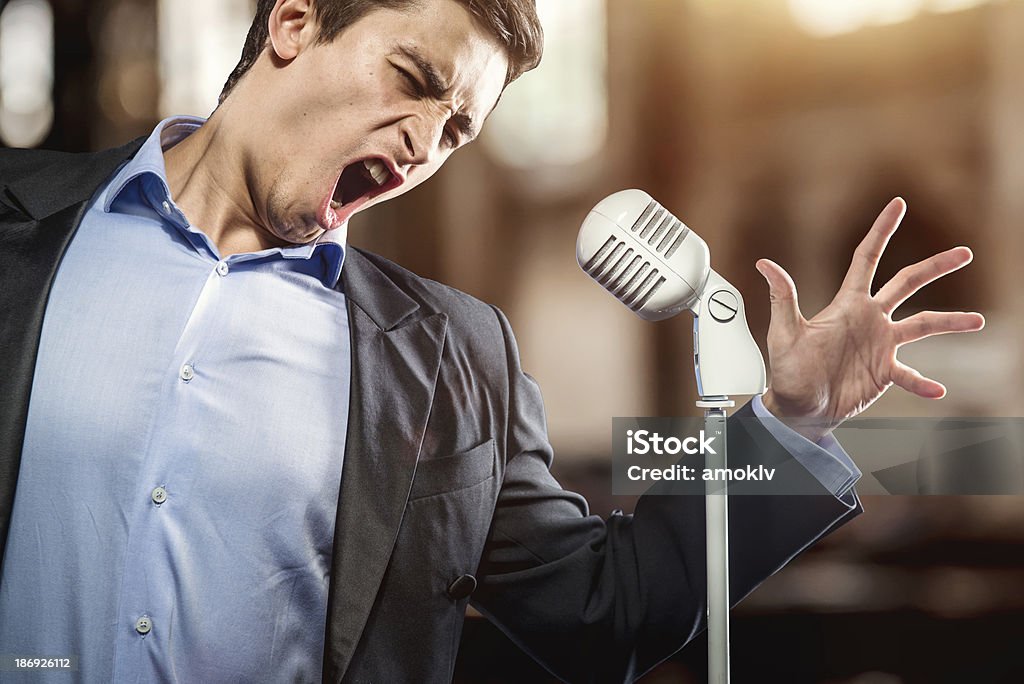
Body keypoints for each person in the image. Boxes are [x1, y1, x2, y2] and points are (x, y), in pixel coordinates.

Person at [0, 0, 984, 681]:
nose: (423, 144)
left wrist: (788, 422)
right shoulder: (17, 232)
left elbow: (604, 614)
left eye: (456, 128)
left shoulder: (453, 358)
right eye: (413, 78)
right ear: (293, 22)